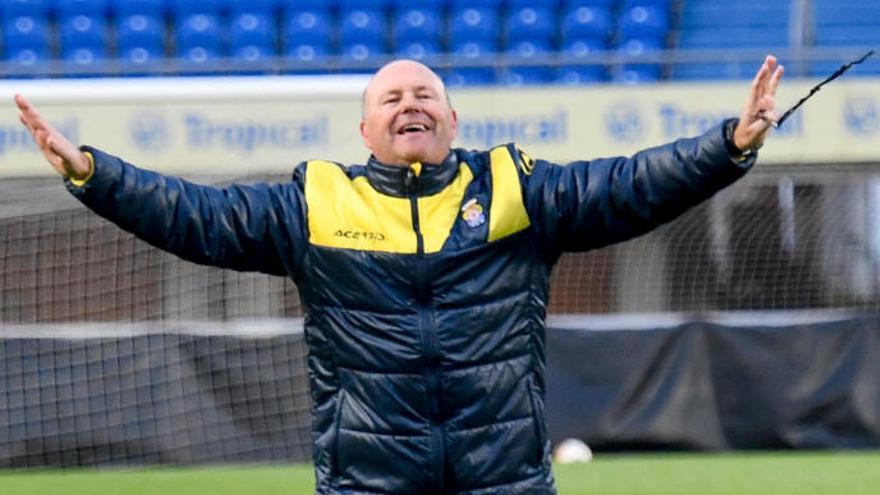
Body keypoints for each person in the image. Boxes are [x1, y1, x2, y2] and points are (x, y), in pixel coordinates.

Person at [16, 56, 784, 494]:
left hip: (503, 480)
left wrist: (727, 145)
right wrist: (95, 174)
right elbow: (197, 217)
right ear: (366, 129)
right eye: (392, 97)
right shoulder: (315, 202)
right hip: (369, 482)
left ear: (451, 123)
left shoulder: (515, 189)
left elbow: (627, 185)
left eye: (425, 96)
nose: (410, 103)